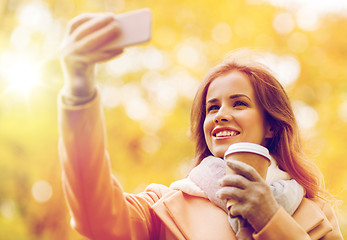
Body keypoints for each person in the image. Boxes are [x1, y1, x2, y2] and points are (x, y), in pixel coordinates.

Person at [58, 12, 343, 240]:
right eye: (212, 107)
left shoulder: (317, 213)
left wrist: (270, 217)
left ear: (271, 125)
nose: (221, 114)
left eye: (239, 103)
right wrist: (79, 92)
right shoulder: (165, 207)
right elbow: (96, 217)